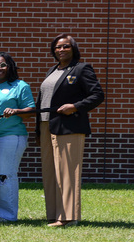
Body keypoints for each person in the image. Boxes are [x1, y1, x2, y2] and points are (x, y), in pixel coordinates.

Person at [37, 34, 104, 227]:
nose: (61, 50)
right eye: (57, 47)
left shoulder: (82, 69)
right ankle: (54, 214)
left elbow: (98, 95)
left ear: (73, 48)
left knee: (67, 172)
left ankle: (68, 217)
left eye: (66, 46)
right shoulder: (52, 70)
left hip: (69, 126)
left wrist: (74, 106)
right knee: (50, 172)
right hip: (46, 125)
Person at [0, 52, 35, 222]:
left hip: (10, 136)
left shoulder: (20, 86)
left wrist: (16, 111)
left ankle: (7, 215)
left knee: (5, 175)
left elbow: (31, 111)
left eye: (3, 64)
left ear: (10, 66)